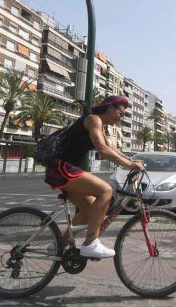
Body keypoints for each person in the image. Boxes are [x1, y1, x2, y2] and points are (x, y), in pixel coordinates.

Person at [37, 95, 144, 258]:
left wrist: (132, 161)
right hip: (61, 168)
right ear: (110, 108)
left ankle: (59, 245)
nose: (121, 118)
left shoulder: (100, 125)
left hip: (63, 169)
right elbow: (102, 149)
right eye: (120, 113)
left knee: (91, 211)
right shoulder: (94, 120)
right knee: (106, 191)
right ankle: (90, 243)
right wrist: (130, 165)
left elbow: (111, 149)